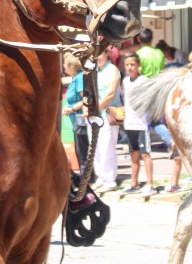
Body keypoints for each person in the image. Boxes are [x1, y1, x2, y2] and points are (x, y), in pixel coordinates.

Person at [121, 53, 155, 198]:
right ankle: (133, 183)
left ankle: (150, 184)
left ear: (138, 65)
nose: (130, 67)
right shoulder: (125, 81)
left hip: (142, 123)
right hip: (129, 123)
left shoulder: (144, 80)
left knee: (145, 154)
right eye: (127, 65)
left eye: (132, 64)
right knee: (133, 154)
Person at [87, 48, 121, 193]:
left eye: (100, 53)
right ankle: (100, 177)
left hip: (107, 112)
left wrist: (96, 108)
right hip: (94, 113)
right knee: (95, 147)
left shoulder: (112, 69)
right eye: (94, 53)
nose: (97, 56)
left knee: (107, 145)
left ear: (107, 54)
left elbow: (110, 93)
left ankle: (110, 179)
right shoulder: (93, 69)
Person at [61, 54, 92, 180]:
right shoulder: (75, 78)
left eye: (65, 63)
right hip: (75, 119)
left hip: (80, 118)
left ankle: (86, 177)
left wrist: (72, 109)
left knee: (82, 149)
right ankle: (86, 175)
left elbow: (84, 98)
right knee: (80, 149)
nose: (63, 66)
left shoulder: (79, 78)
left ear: (70, 65)